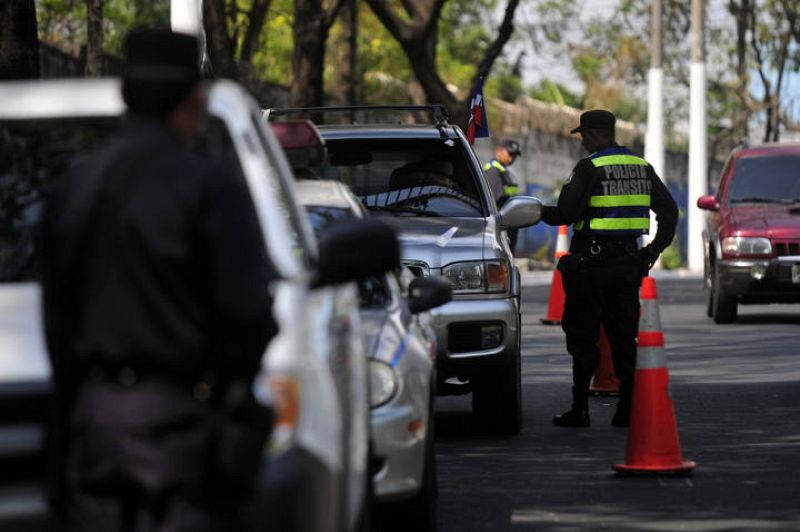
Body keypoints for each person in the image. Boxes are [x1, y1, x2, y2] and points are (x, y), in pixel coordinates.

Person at [42, 28, 277, 531]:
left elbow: (57, 325)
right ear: (194, 102)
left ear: (126, 96)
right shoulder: (209, 188)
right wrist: (229, 398)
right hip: (182, 431)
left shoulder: (74, 187)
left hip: (96, 430)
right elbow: (249, 315)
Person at [541, 109, 678, 428]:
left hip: (591, 265)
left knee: (583, 335)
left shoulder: (590, 168)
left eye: (585, 135)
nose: (583, 141)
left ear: (598, 134)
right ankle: (627, 409)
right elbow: (669, 211)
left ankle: (580, 409)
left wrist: (538, 212)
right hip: (628, 265)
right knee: (623, 336)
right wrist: (654, 249)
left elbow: (566, 212)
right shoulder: (642, 167)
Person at [484, 137, 522, 251]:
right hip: (502, 226)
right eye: (510, 153)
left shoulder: (503, 170)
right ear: (498, 151)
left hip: (508, 225)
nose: (512, 158)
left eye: (515, 155)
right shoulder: (494, 171)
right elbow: (497, 201)